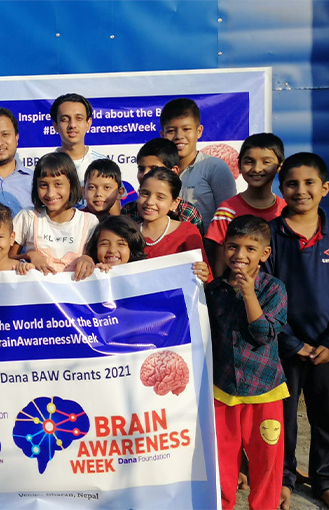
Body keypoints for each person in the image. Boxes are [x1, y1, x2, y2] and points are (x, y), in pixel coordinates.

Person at [262, 153, 329, 510]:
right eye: (291, 184)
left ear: (325, 188)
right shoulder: (270, 235)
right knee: (283, 420)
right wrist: (292, 342)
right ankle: (283, 479)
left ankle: (324, 479)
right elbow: (262, 293)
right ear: (280, 188)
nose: (300, 191)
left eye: (309, 183)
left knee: (326, 416)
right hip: (283, 346)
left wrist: (327, 345)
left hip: (325, 349)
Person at [206, 215, 288, 509]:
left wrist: (249, 294)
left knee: (267, 461)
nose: (240, 255)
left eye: (250, 249)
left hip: (264, 389)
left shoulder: (273, 289)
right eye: (232, 247)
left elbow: (264, 334)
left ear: (264, 254)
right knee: (222, 460)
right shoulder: (213, 290)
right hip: (222, 391)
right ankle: (223, 504)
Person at [206, 133, 286, 276]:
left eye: (266, 162)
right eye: (249, 161)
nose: (256, 169)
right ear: (239, 165)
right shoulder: (227, 210)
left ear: (280, 166)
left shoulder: (286, 211)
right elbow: (220, 266)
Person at [9, 152, 98, 279]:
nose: (50, 194)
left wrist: (88, 259)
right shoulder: (27, 217)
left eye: (58, 184)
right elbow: (5, 259)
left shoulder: (89, 222)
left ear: (72, 184)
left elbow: (100, 262)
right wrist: (29, 255)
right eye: (43, 185)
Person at [160, 98, 236, 230]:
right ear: (162, 134)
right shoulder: (159, 171)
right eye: (171, 130)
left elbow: (228, 219)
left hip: (206, 248)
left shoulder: (215, 168)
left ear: (199, 131)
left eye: (186, 129)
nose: (179, 136)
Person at [137, 167, 210, 283]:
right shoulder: (127, 232)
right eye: (145, 194)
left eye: (160, 197)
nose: (150, 202)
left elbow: (204, 278)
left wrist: (203, 274)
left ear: (174, 203)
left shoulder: (187, 232)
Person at [121, 138, 203, 234]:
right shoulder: (128, 211)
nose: (145, 174)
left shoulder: (188, 212)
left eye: (154, 168)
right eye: (141, 169)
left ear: (174, 171)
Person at [50, 93, 106, 184]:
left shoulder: (103, 165)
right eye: (65, 119)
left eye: (79, 118)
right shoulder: (47, 166)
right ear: (55, 125)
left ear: (88, 123)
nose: (72, 125)